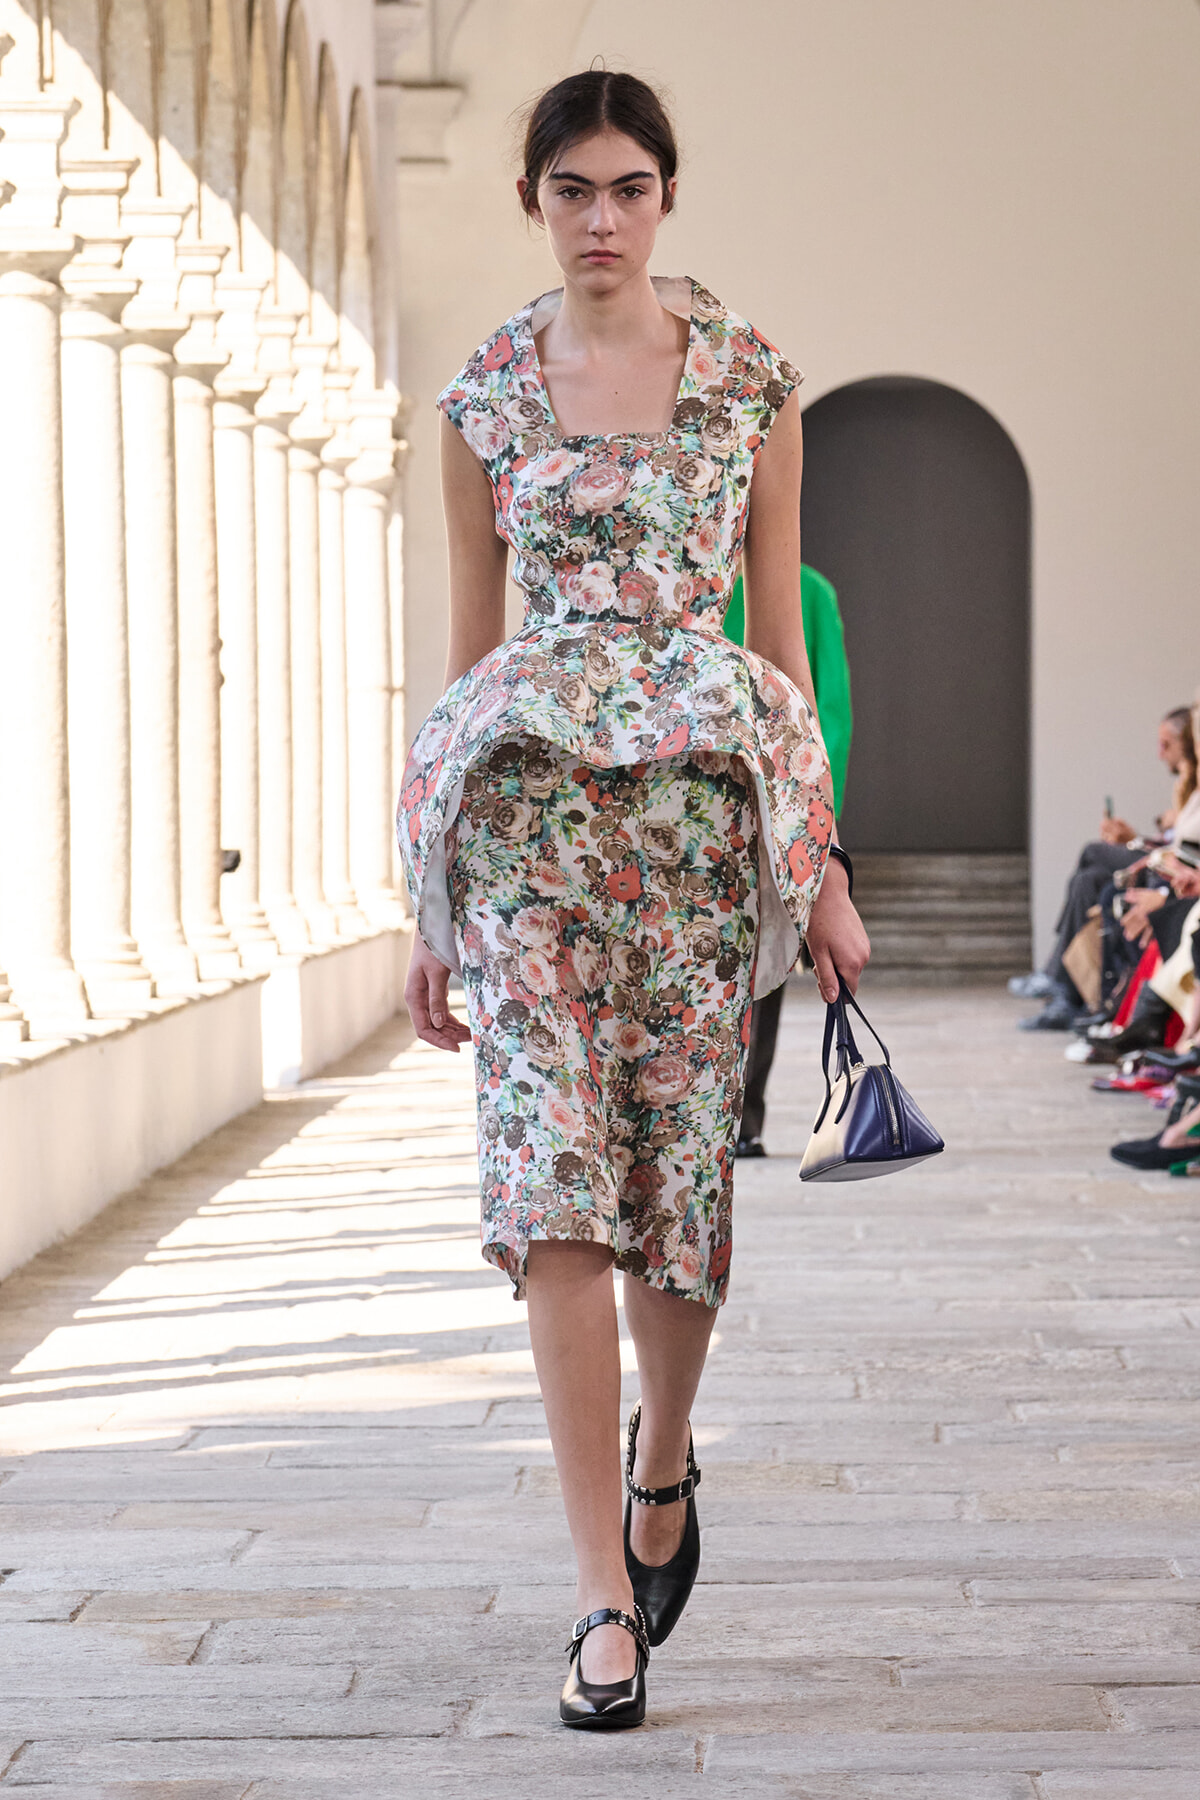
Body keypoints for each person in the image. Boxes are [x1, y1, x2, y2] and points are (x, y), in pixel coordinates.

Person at [397, 70, 869, 1730]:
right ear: (533, 200)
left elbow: (777, 651)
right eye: (571, 189)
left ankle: (666, 1461)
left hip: (687, 841)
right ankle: (601, 1591)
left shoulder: (750, 386)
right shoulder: (481, 402)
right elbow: (467, 660)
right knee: (557, 1205)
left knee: (681, 1213)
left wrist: (814, 866)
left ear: (667, 196)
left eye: (629, 187)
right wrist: (430, 896)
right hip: (528, 842)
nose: (601, 217)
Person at [724, 566, 853, 1154]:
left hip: (767, 804)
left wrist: (819, 836)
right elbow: (835, 716)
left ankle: (741, 1116)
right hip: (723, 805)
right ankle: (734, 1121)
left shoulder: (808, 590)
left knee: (761, 964)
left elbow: (829, 713)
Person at [1014, 704, 1197, 1029]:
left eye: (1167, 743)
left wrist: (1136, 844)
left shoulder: (1191, 788)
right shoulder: (1187, 786)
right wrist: (1135, 840)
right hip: (1161, 865)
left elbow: (1181, 850)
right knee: (1088, 880)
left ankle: (1055, 976)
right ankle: (1068, 997)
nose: (1160, 753)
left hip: (1169, 874)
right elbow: (1174, 846)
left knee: (1093, 852)